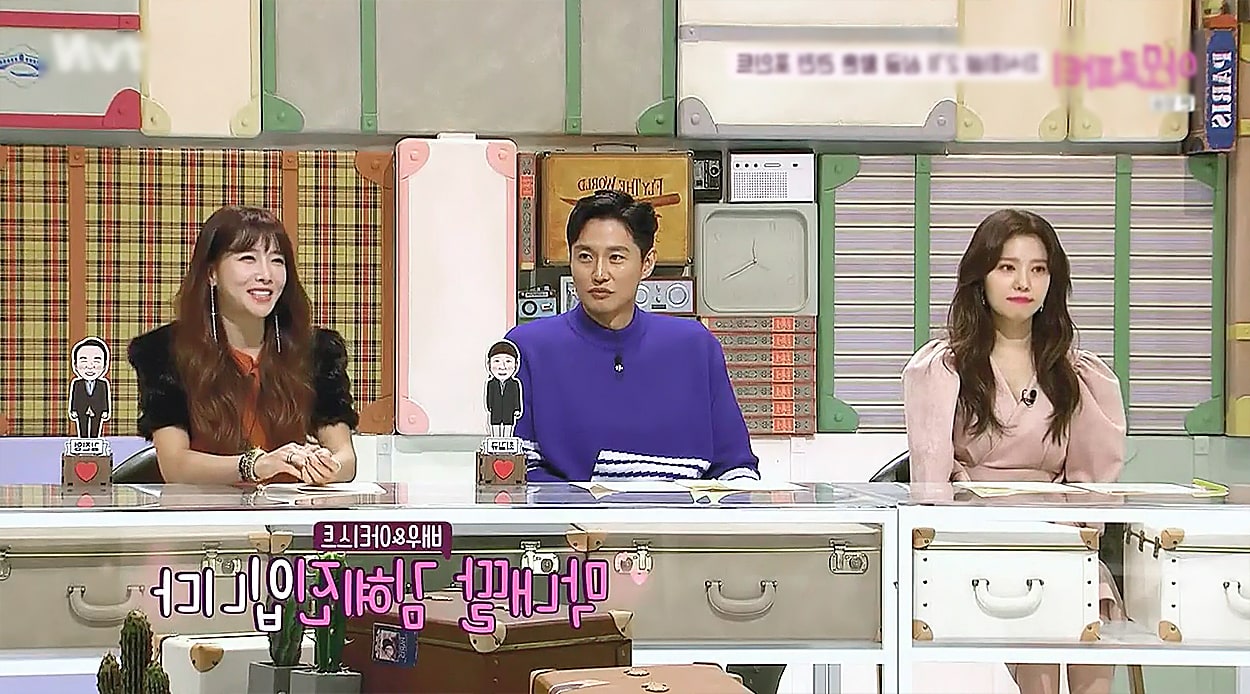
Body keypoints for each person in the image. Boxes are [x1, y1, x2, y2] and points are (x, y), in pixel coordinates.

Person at [902, 209, 1126, 694]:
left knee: (1091, 602)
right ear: (981, 277)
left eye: (1038, 269)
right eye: (1007, 267)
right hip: (978, 538)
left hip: (1059, 537)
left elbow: (1093, 489)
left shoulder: (1077, 374)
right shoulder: (943, 369)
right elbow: (931, 486)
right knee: (1038, 605)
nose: (1024, 281)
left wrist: (1066, 541)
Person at [505, 190, 760, 482]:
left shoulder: (695, 346)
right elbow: (519, 472)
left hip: (683, 512)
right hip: (572, 513)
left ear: (646, 263)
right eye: (585, 257)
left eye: (616, 258)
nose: (599, 274)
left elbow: (736, 468)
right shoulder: (529, 348)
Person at [127, 205, 359, 486]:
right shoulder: (165, 352)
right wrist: (256, 465)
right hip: (206, 511)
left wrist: (330, 466)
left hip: (289, 508)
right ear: (211, 273)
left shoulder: (316, 351)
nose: (266, 274)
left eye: (277, 260)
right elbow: (176, 466)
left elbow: (345, 457)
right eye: (248, 258)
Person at [68, 336, 112, 438]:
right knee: (82, 427)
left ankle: (94, 440)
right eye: (84, 361)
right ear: (75, 365)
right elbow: (74, 397)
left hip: (97, 409)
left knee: (95, 428)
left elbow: (104, 398)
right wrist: (73, 410)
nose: (90, 366)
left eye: (96, 361)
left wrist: (105, 410)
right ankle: (83, 440)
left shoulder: (102, 384)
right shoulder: (77, 383)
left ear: (104, 365)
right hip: (81, 409)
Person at [483, 340, 522, 439]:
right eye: (497, 361)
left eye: (508, 361)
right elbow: (489, 396)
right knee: (495, 425)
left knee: (508, 426)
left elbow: (516, 397)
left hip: (509, 411)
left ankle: (507, 439)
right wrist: (489, 407)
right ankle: (496, 439)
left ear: (516, 364)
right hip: (495, 410)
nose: (502, 367)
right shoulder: (491, 383)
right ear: (489, 364)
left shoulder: (514, 384)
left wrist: (517, 409)